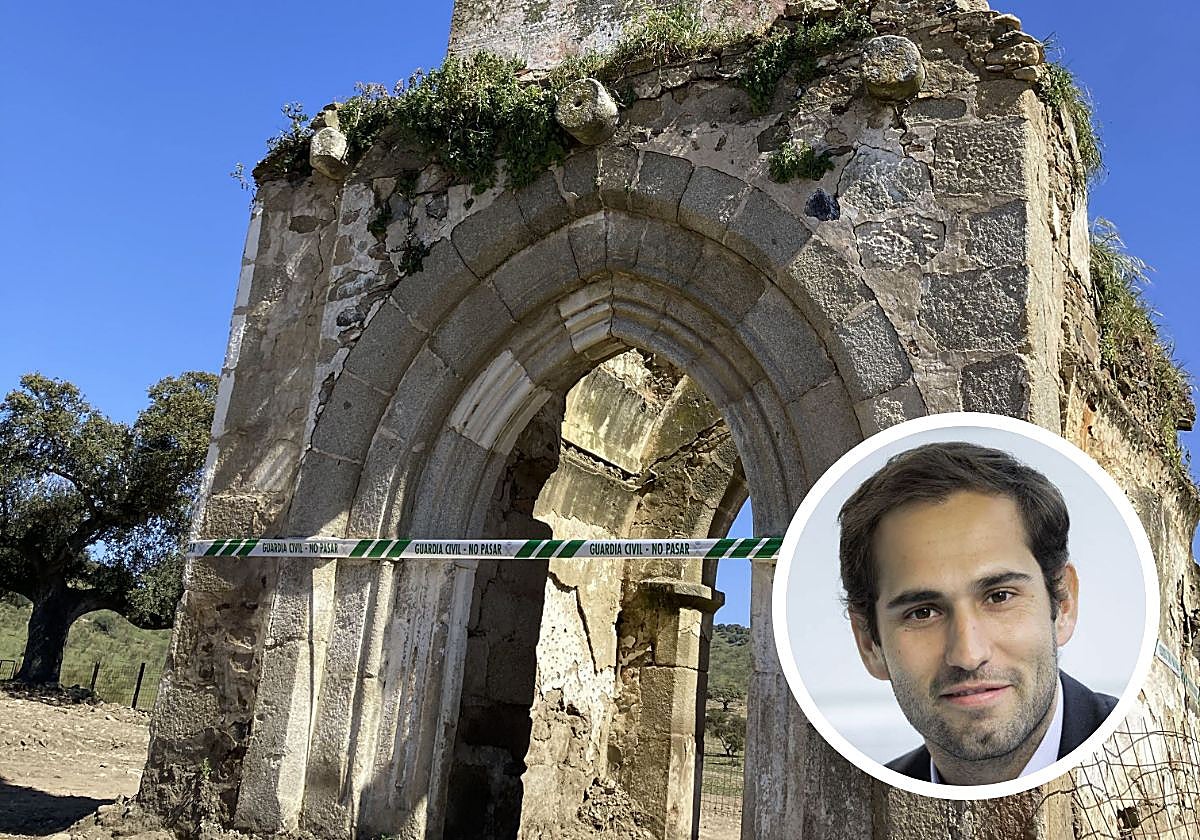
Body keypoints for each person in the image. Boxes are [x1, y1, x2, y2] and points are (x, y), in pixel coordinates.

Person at [837, 441, 1117, 785]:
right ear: (869, 643)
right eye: (922, 613)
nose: (969, 655)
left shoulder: (1159, 751)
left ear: (1063, 604)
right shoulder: (875, 790)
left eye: (999, 596)